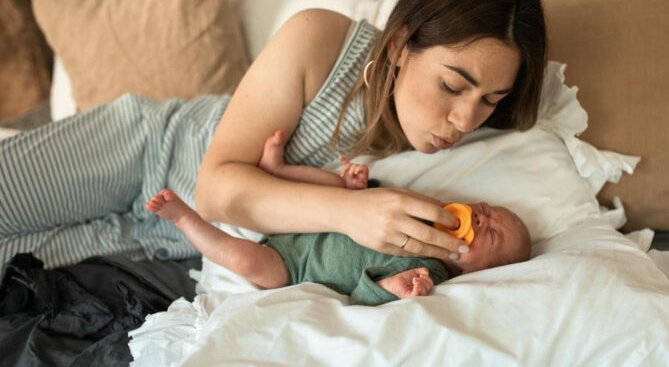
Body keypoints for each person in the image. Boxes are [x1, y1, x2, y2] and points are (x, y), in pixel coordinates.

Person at [0, 0, 546, 275]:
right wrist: (350, 212)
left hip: (168, 241)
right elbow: (216, 189)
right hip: (145, 150)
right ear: (402, 44)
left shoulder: (477, 151)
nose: (465, 120)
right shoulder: (323, 40)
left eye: (490, 100)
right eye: (452, 86)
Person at [145, 131, 532, 305]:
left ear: (478, 272)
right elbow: (376, 204)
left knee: (246, 260)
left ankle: (185, 220)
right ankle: (278, 171)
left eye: (491, 235)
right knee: (332, 185)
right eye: (487, 211)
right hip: (314, 220)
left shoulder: (429, 274)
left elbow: (361, 297)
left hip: (292, 266)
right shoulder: (426, 209)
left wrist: (393, 287)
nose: (482, 219)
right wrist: (358, 188)